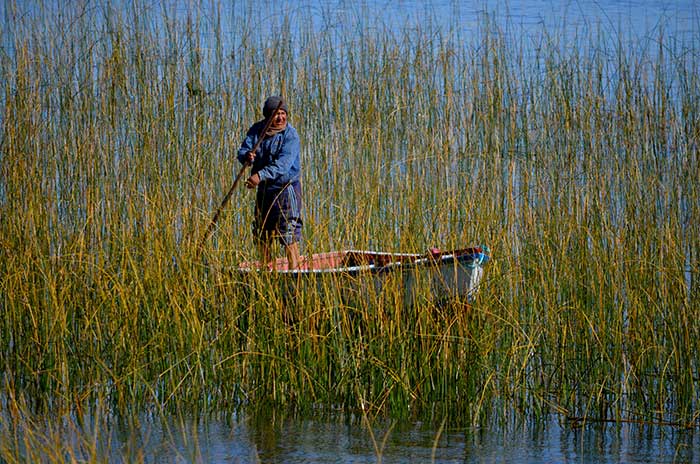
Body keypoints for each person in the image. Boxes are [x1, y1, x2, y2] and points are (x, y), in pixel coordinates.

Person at [237, 96, 303, 269]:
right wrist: (247, 156)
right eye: (275, 114)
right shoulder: (258, 130)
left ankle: (295, 271)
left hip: (285, 189)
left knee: (287, 230)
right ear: (268, 116)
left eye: (283, 113)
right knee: (261, 231)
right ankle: (267, 269)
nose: (280, 118)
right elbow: (244, 149)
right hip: (265, 191)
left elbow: (283, 165)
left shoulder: (290, 135)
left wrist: (259, 175)